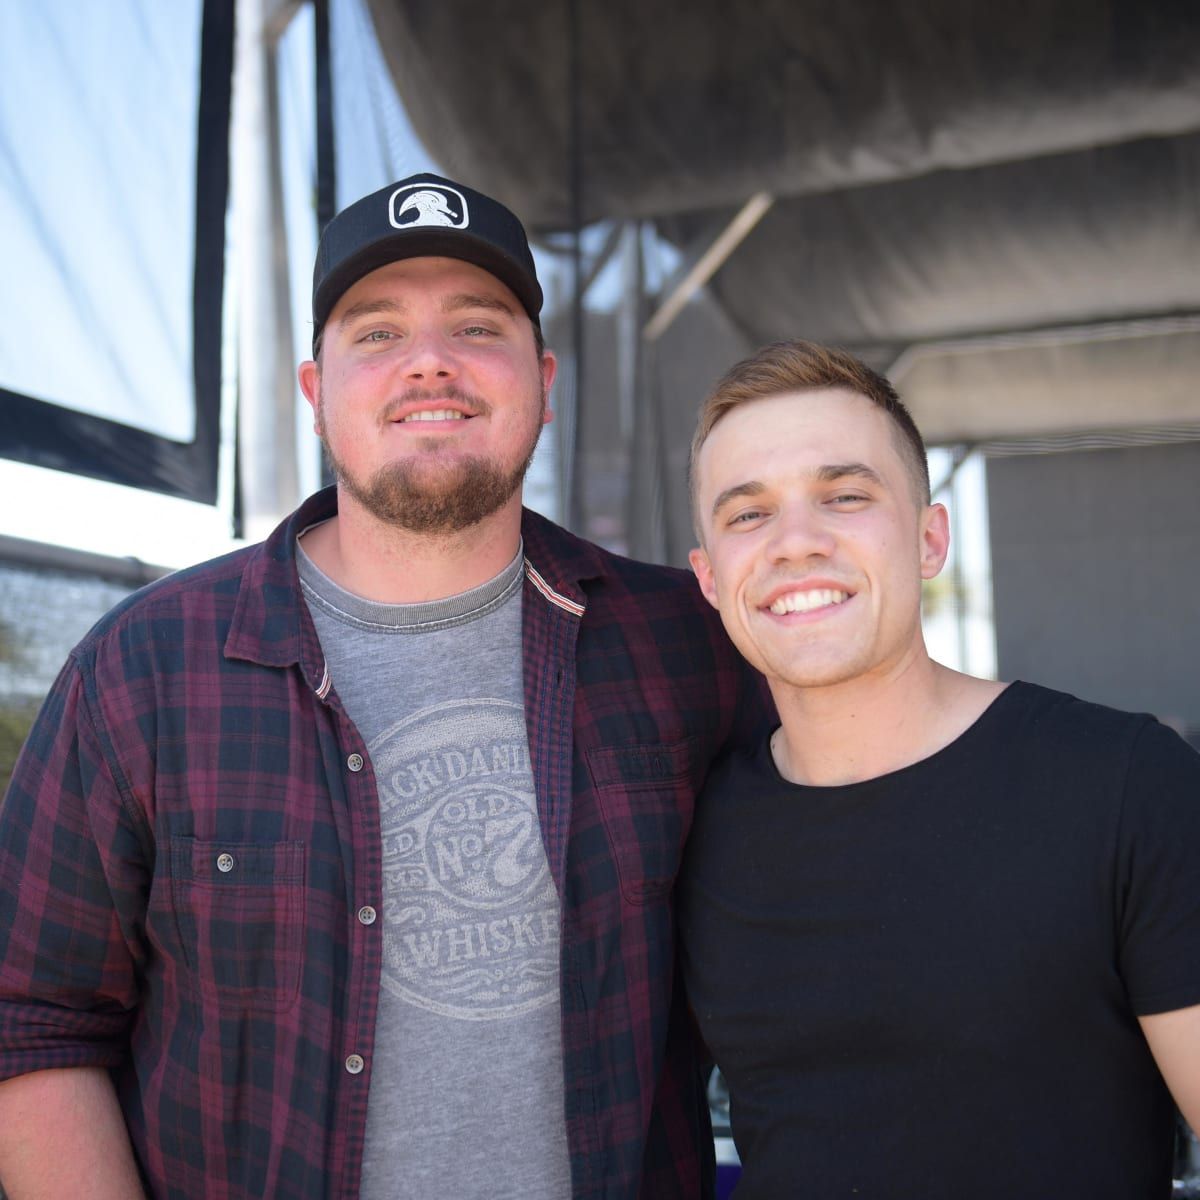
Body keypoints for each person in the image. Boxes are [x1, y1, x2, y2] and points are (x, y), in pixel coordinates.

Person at [0, 173, 766, 1200]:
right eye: (376, 333)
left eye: (476, 326)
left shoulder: (688, 646)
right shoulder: (144, 670)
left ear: (543, 381)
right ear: (316, 394)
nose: (431, 363)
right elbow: (34, 1021)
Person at [679, 339, 1200, 1199]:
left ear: (929, 540)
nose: (795, 543)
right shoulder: (694, 835)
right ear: (707, 578)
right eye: (747, 514)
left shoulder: (1125, 787)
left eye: (845, 496)